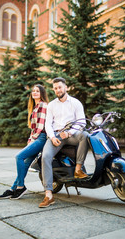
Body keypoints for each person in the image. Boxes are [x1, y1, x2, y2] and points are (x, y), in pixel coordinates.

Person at [39, 77, 89, 208]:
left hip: (70, 134)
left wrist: (69, 132)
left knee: (85, 135)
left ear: (66, 87)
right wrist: (52, 137)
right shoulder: (51, 105)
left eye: (60, 87)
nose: (58, 90)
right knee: (45, 157)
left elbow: (82, 121)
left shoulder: (75, 103)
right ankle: (48, 194)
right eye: (55, 88)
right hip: (56, 135)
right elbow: (47, 124)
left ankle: (78, 169)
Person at [0, 84, 48, 199]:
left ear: (42, 93)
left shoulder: (43, 105)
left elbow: (40, 127)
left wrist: (33, 139)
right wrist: (30, 139)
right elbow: (33, 127)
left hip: (41, 138)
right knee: (25, 164)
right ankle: (13, 188)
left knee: (19, 157)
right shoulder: (35, 107)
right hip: (36, 138)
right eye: (33, 91)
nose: (35, 93)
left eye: (37, 91)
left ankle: (21, 187)